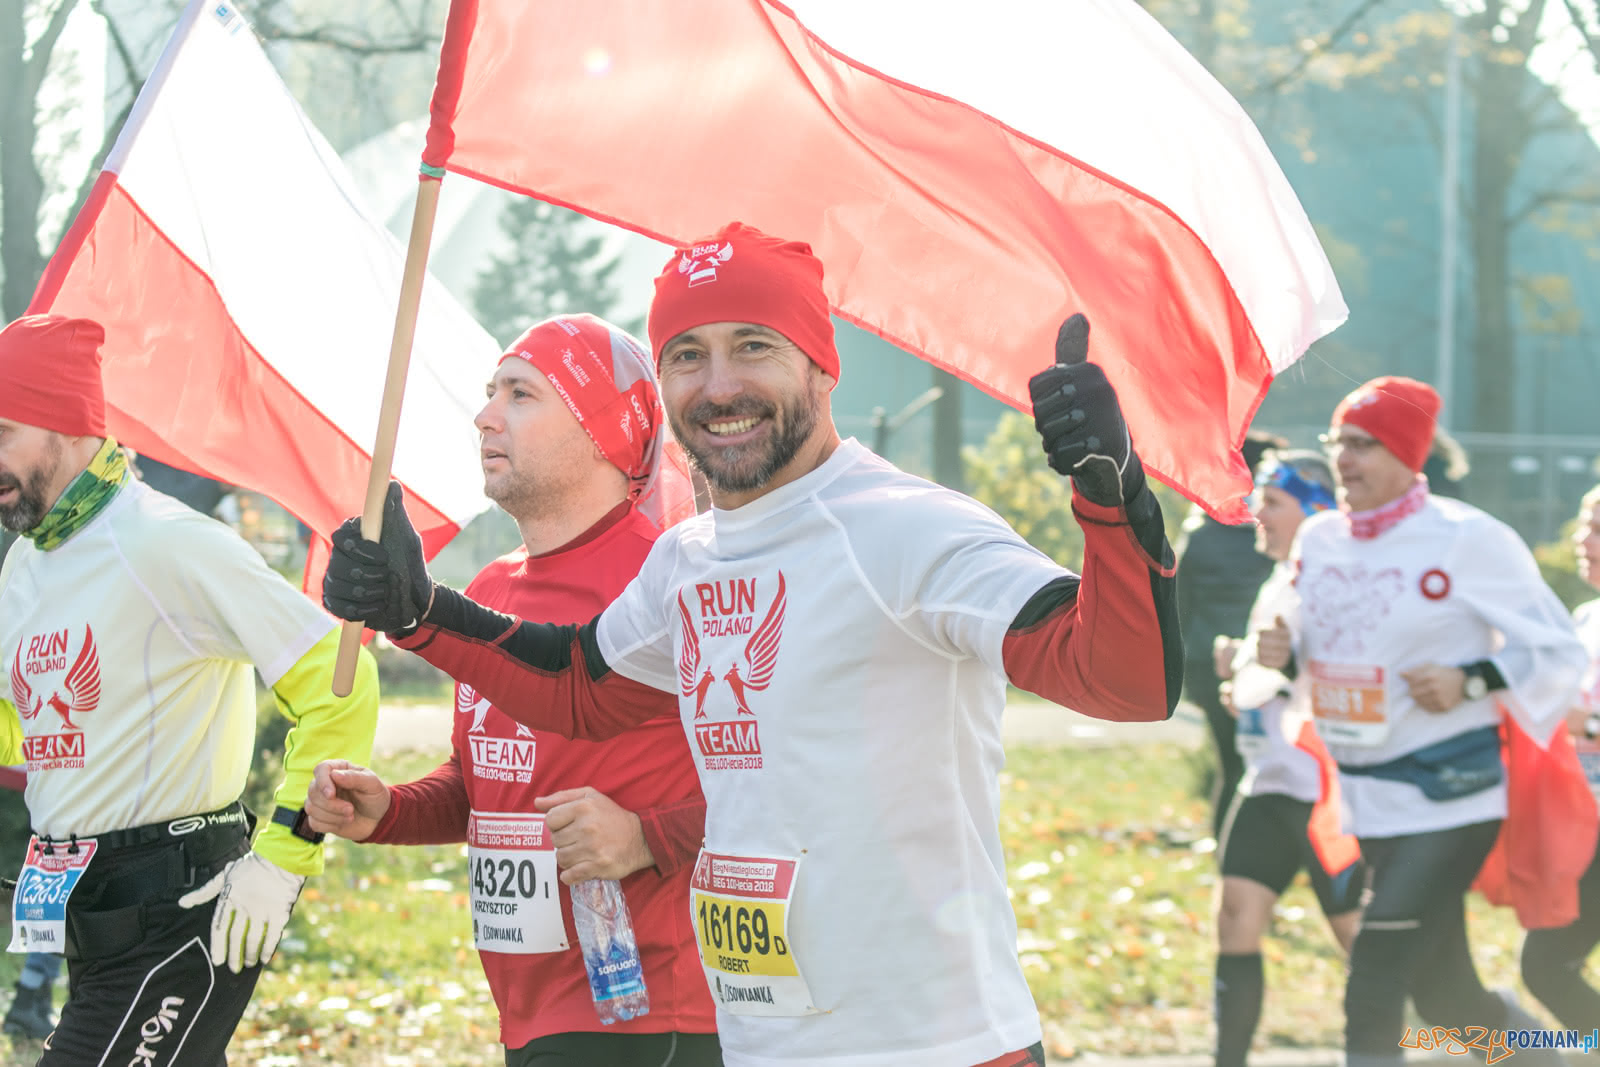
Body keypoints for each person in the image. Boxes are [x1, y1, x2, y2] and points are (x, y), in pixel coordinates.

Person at [321, 222, 1184, 1067]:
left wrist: (1111, 496)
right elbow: (578, 685)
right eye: (687, 355)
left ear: (821, 364)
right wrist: (419, 612)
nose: (719, 385)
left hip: (938, 1045)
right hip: (762, 1045)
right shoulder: (685, 559)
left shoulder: (908, 527)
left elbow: (1125, 680)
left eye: (754, 346)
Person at [305, 314, 719, 1066]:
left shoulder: (669, 577)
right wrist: (388, 810)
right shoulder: (493, 590)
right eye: (491, 390)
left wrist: (644, 837)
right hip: (528, 1013)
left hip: (652, 1011)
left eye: (521, 394)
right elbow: (486, 786)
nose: (485, 415)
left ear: (601, 432)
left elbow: (775, 789)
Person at [0, 314, 379, 1064]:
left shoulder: (166, 542)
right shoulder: (25, 565)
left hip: (180, 907)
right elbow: (34, 732)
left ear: (69, 426)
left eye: (3, 431)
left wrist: (286, 856)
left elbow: (342, 680)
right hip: (87, 915)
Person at [1255, 375, 1585, 1067]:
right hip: (1367, 799)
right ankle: (1545, 1058)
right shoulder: (1320, 538)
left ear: (1409, 454)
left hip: (1452, 798)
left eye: (1363, 444)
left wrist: (1472, 678)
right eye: (1337, 441)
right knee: (1446, 1000)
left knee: (1374, 974)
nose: (1343, 459)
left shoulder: (1467, 537)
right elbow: (1308, 642)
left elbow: (1555, 648)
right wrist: (1282, 653)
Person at [1209, 450, 1362, 1067]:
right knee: (1235, 918)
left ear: (1318, 510)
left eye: (1272, 503)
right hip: (1268, 782)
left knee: (1364, 945)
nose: (1258, 515)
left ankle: (1496, 1043)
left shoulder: (1340, 579)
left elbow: (1355, 672)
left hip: (1325, 794)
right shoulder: (1279, 578)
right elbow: (1273, 678)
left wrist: (1287, 664)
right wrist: (1242, 673)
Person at [1177, 430, 1284, 840]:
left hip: (1206, 661)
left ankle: (1225, 848)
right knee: (1266, 766)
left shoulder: (1201, 533)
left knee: (1229, 764)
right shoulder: (1271, 536)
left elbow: (1179, 603)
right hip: (1266, 662)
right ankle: (1264, 850)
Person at [1520, 483, 1600, 1031]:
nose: (1582, 540)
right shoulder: (1586, 617)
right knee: (1545, 965)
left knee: (1546, 964)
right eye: (1584, 525)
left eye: (1598, 529)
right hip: (1582, 825)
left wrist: (1588, 724)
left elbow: (1580, 718)